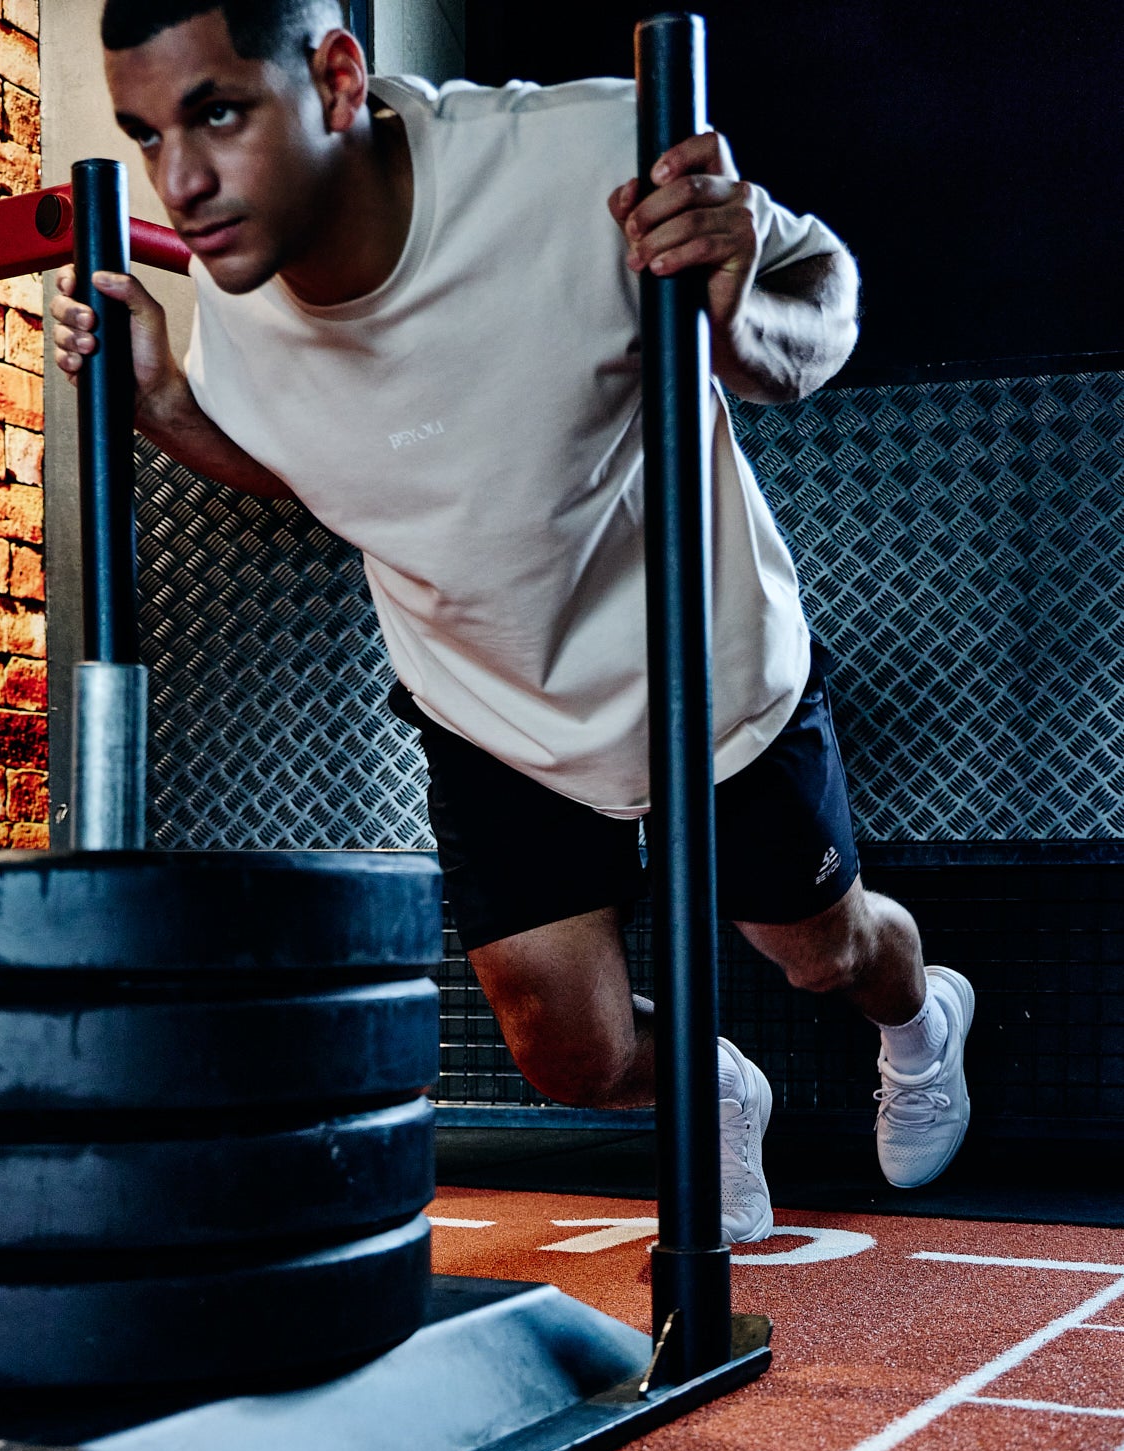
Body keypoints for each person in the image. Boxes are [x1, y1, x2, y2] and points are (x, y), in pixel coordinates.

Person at [51, 0, 975, 1241]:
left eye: (217, 112)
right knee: (567, 1055)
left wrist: (738, 309)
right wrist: (165, 405)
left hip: (696, 660)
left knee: (823, 954)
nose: (181, 180)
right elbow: (324, 469)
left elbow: (822, 302)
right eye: (148, 134)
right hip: (486, 700)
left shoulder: (584, 153)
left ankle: (922, 1023)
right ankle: (712, 1086)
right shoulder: (240, 280)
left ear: (337, 80)